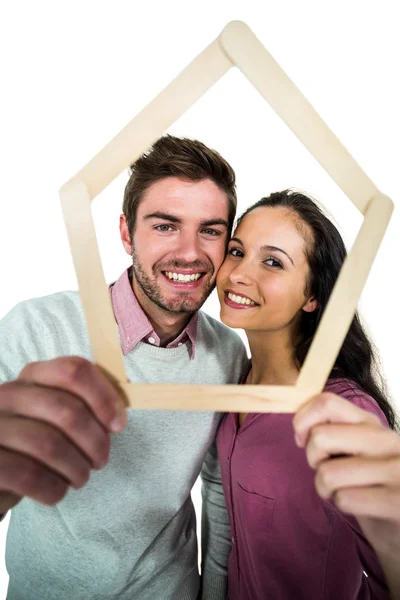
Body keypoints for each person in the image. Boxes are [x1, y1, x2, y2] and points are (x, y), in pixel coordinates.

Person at [0, 135, 249, 600]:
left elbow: (219, 496)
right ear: (125, 233)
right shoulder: (34, 329)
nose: (190, 253)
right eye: (165, 226)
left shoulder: (229, 353)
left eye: (211, 230)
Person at [215, 189, 400, 599]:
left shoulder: (342, 413)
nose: (238, 274)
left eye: (273, 262)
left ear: (313, 296)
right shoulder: (234, 381)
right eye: (235, 251)